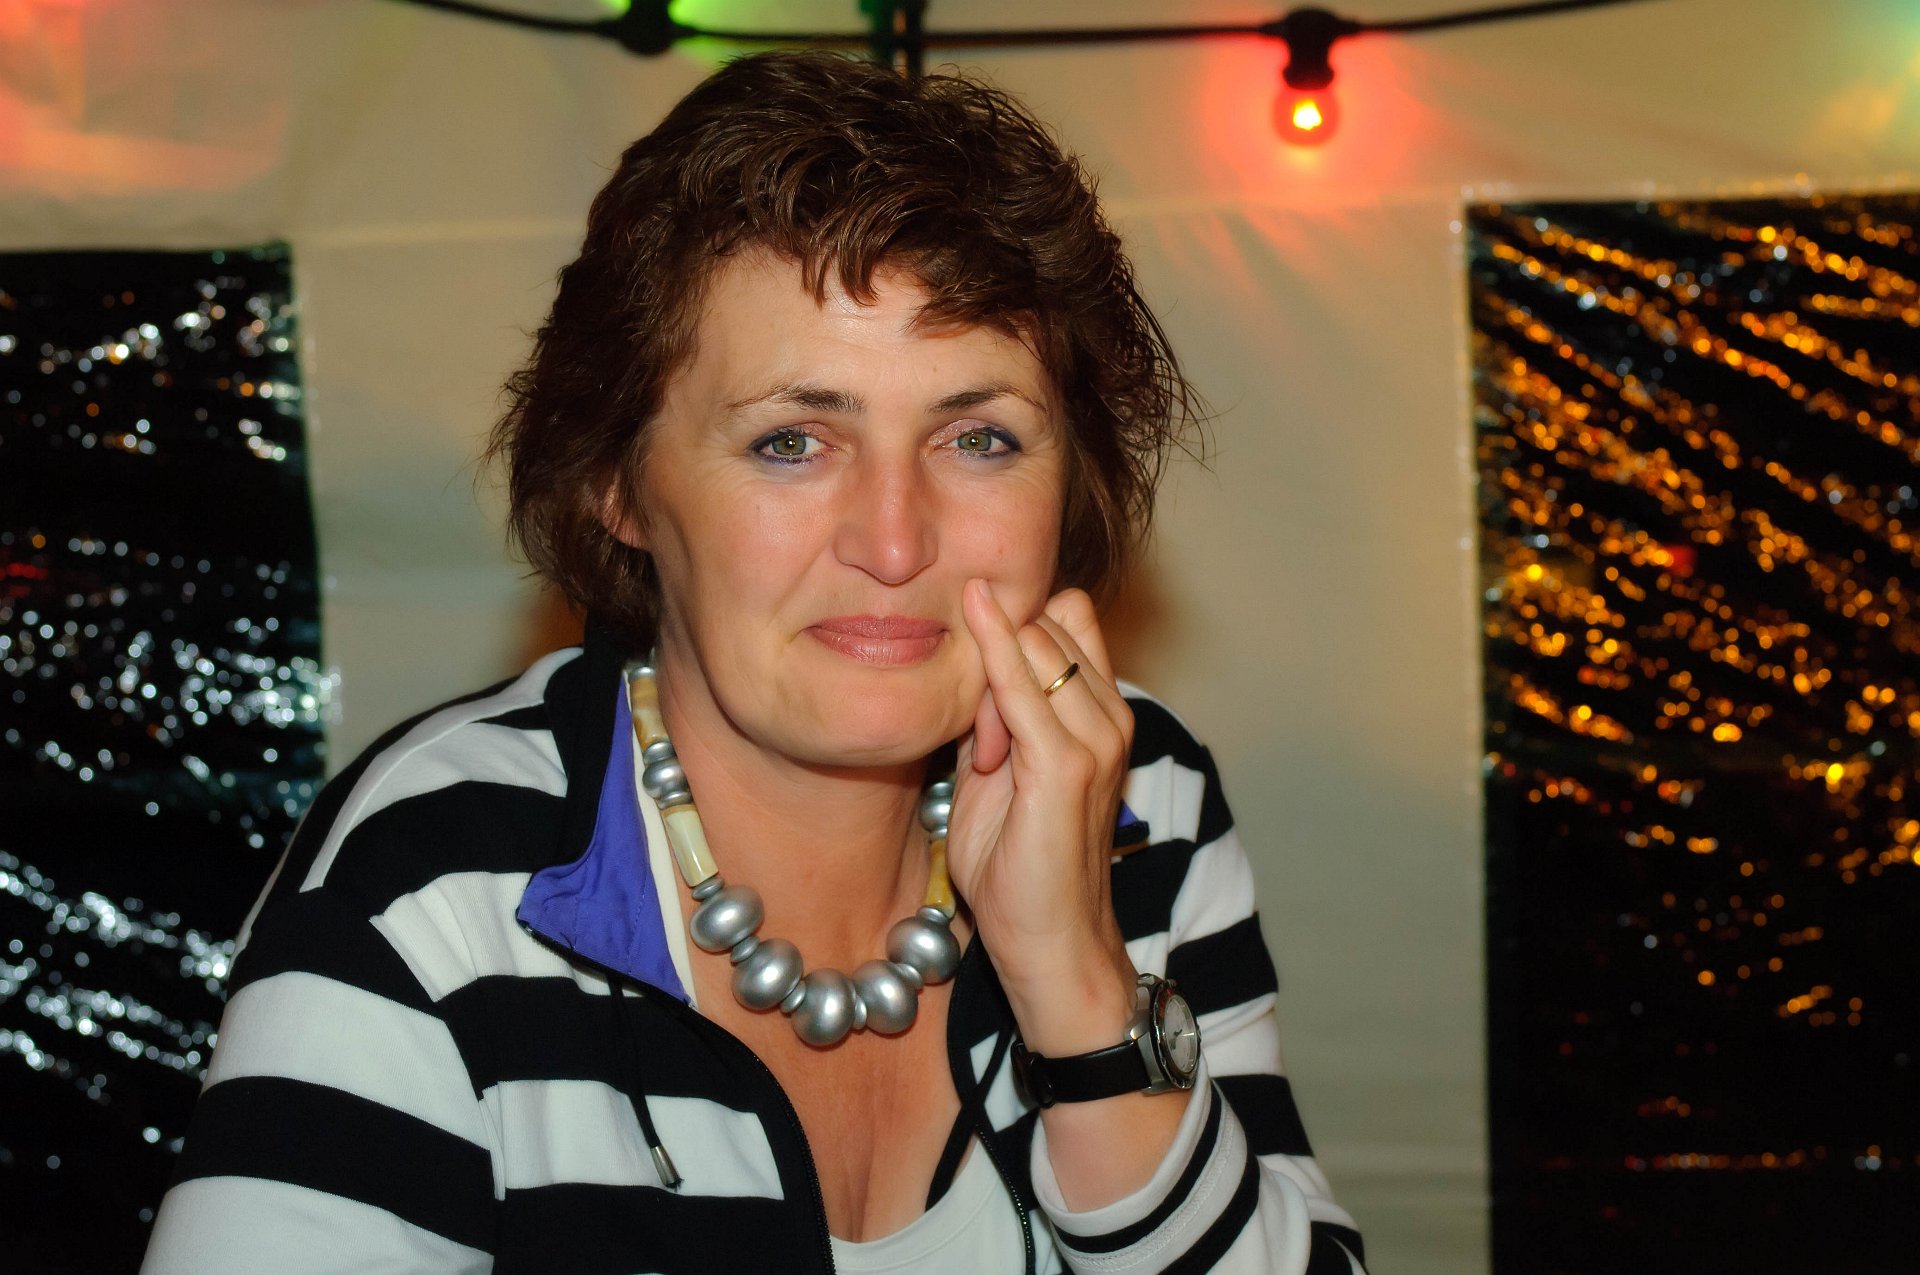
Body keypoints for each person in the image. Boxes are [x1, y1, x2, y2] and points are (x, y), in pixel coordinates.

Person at [143, 50, 1366, 1274]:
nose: (895, 542)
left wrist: (1084, 997)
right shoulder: (431, 886)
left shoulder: (1138, 797)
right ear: (620, 485)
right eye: (792, 440)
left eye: (979, 438)